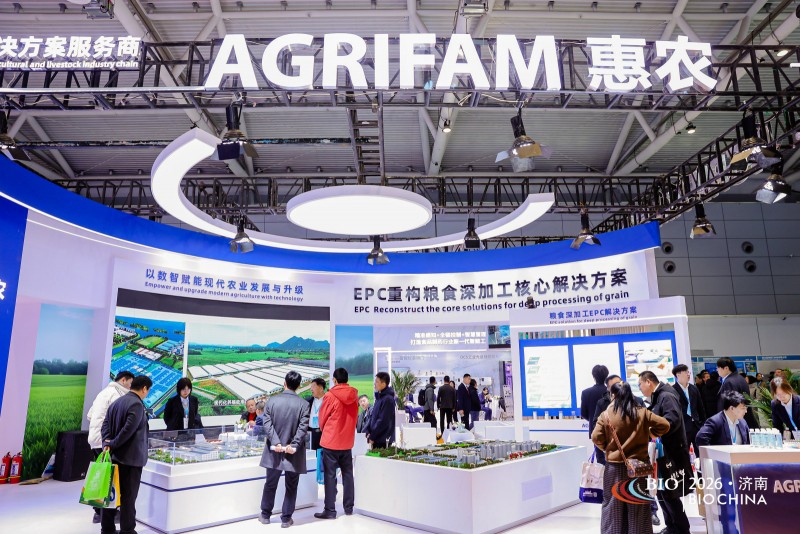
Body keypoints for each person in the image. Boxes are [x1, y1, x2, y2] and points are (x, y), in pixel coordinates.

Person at [592, 382, 670, 534]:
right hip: (638, 467)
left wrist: (608, 448)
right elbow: (665, 424)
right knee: (638, 506)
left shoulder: (606, 415)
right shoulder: (642, 412)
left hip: (614, 467)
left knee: (613, 506)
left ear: (613, 395)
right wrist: (649, 435)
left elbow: (596, 437)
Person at [638, 370, 692, 534]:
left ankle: (681, 529)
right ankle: (671, 526)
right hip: (663, 453)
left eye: (640, 384)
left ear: (648, 382)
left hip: (671, 454)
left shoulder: (666, 396)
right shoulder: (659, 396)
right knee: (662, 492)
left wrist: (651, 432)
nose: (639, 388)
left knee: (670, 494)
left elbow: (671, 420)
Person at [100, 375, 152, 534]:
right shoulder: (136, 404)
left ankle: (107, 529)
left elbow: (105, 425)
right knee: (128, 499)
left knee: (110, 496)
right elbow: (128, 431)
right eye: (148, 390)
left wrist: (107, 443)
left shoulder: (117, 402)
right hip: (130, 460)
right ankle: (127, 531)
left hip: (114, 458)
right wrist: (112, 443)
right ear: (144, 388)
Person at [258, 371, 310, 529]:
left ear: (284, 383)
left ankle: (265, 515)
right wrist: (293, 445)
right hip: (293, 453)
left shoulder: (272, 401)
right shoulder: (304, 404)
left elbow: (267, 424)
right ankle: (286, 519)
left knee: (270, 483)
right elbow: (302, 428)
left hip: (274, 451)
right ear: (299, 385)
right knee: (291, 485)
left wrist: (276, 442)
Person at [86, 370, 134, 524]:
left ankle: (98, 512)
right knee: (110, 479)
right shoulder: (116, 395)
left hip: (95, 440)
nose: (131, 387)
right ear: (124, 380)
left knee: (100, 476)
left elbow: (89, 415)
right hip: (106, 442)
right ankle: (108, 513)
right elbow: (119, 420)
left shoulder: (103, 393)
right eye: (130, 383)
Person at [315, 368, 358, 520]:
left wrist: (325, 430)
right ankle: (349, 508)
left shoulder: (330, 395)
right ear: (347, 379)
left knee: (330, 475)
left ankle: (330, 510)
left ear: (334, 380)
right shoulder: (354, 395)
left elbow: (322, 417)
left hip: (331, 441)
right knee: (348, 475)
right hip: (347, 442)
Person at [671, 364, 706, 453]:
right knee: (683, 453)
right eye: (686, 372)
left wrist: (703, 424)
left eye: (688, 372)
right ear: (678, 375)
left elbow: (700, 407)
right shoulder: (672, 390)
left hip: (696, 425)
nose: (688, 374)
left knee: (701, 452)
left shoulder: (693, 388)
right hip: (682, 427)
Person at [717, 357, 758, 428]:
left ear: (726, 368)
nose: (717, 370)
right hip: (744, 418)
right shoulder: (740, 378)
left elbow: (731, 404)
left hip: (736, 422)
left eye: (718, 367)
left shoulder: (729, 382)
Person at [591, 374, 623, 464]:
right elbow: (595, 427)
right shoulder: (602, 403)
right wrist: (606, 447)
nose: (618, 388)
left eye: (619, 384)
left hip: (633, 453)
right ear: (608, 389)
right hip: (612, 451)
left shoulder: (636, 401)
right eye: (614, 386)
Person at [582, 365, 610, 463]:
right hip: (612, 428)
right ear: (607, 376)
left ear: (593, 376)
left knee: (600, 457)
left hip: (595, 429)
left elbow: (583, 413)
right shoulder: (611, 392)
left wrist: (593, 420)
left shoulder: (586, 393)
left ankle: (603, 472)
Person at [365, 371, 396, 448]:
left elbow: (383, 421)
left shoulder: (388, 399)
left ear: (383, 384)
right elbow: (373, 417)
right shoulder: (379, 397)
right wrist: (368, 431)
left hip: (383, 440)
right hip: (376, 438)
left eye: (377, 382)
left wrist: (372, 436)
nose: (374, 384)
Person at [307, 377, 326, 450]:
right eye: (311, 387)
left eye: (313, 386)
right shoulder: (308, 401)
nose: (311, 389)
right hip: (310, 432)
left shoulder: (328, 401)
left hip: (323, 434)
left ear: (321, 388)